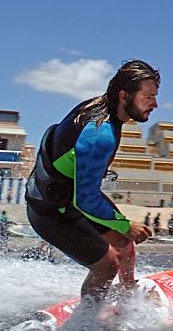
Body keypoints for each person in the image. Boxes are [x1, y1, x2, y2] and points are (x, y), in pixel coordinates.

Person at [24, 60, 156, 302]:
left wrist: (123, 229)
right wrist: (126, 224)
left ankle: (129, 295)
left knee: (123, 243)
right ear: (124, 95)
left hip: (67, 195)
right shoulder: (100, 135)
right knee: (107, 265)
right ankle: (87, 323)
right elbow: (85, 199)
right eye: (147, 97)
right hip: (50, 211)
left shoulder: (102, 105)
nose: (154, 104)